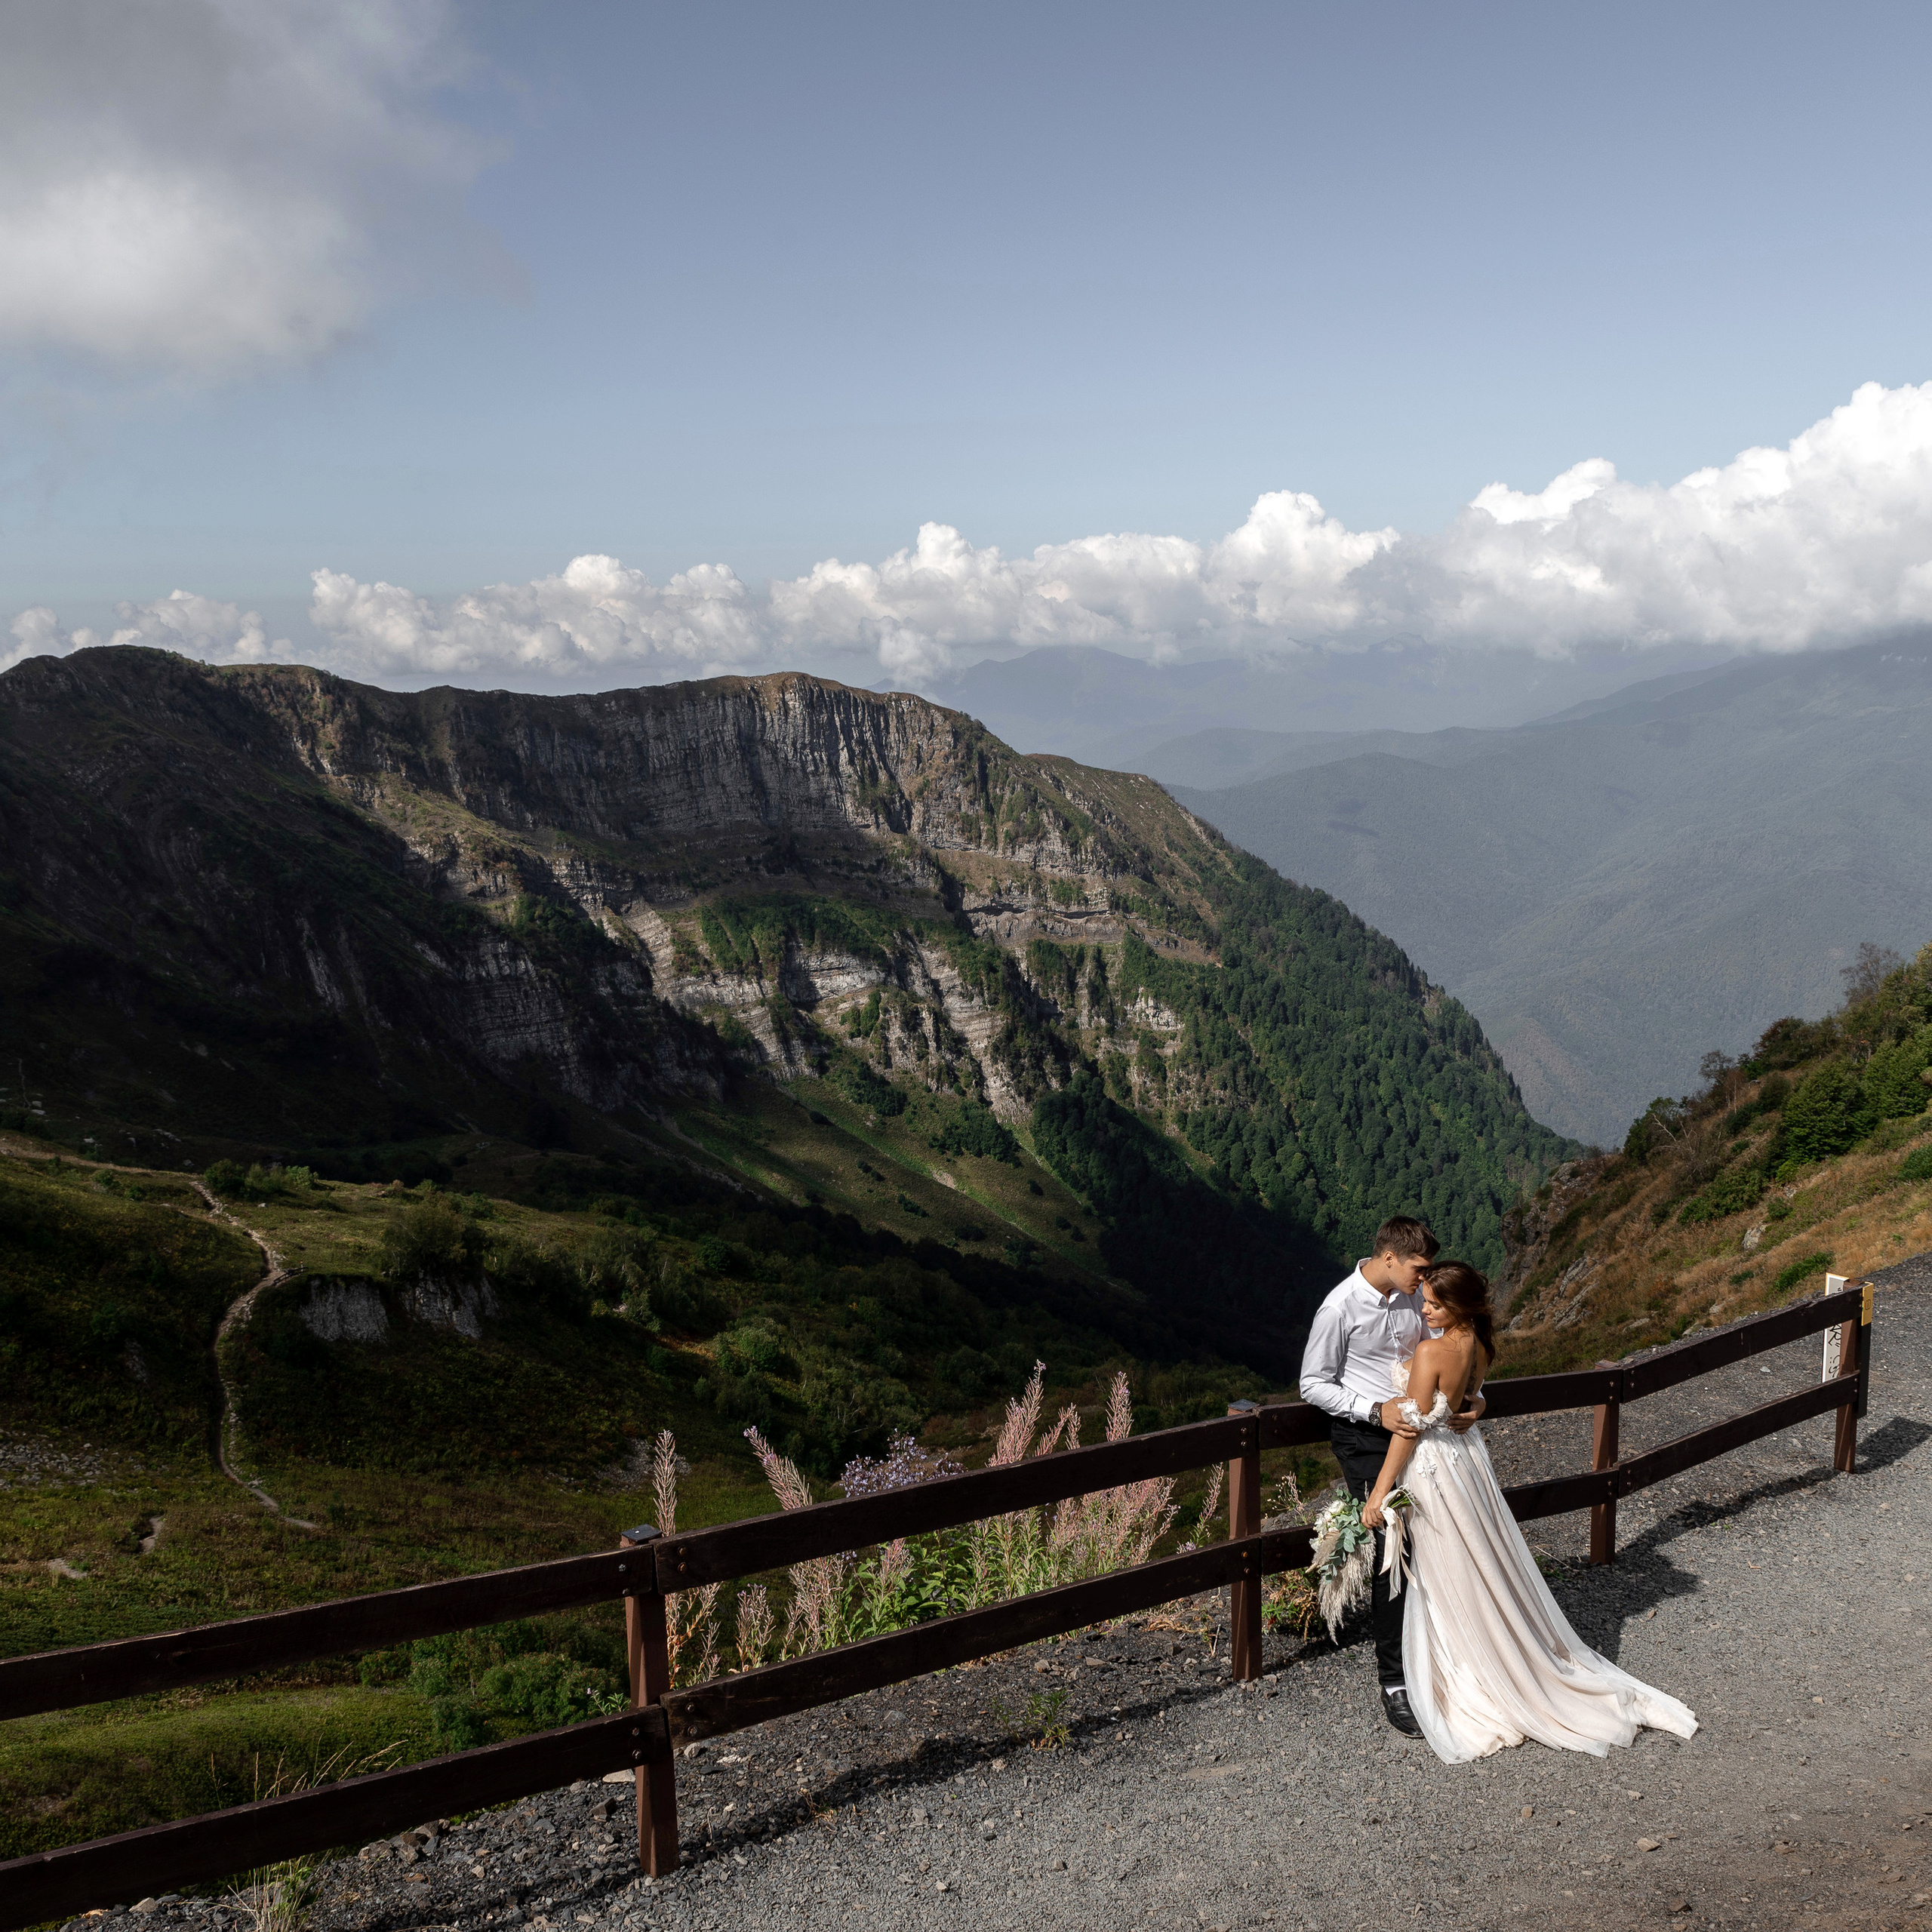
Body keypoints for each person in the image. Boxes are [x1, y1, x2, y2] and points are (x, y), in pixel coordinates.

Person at [1359, 1260, 1698, 1761]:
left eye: (1433, 1304)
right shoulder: (1478, 1343)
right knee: (1478, 1558)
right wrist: (1477, 1407)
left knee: (1450, 1566)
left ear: (1460, 1307)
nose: (1424, 1310)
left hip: (1434, 1465)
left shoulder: (1432, 1351)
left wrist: (1379, 1493)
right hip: (1468, 1461)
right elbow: (1471, 1398)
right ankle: (1499, 1651)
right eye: (1426, 1301)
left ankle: (1474, 1667)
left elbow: (1409, 1429)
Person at [1298, 1217, 1485, 1736]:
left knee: (1437, 1537)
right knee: (1392, 1547)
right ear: (1388, 1258)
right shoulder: (1339, 1307)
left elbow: (1450, 1352)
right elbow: (1312, 1383)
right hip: (1364, 1437)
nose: (1425, 1279)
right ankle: (1396, 1681)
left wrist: (1478, 1401)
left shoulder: (1415, 1296)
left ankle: (1442, 1657)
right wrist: (1374, 1409)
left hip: (1422, 1436)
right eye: (1418, 1268)